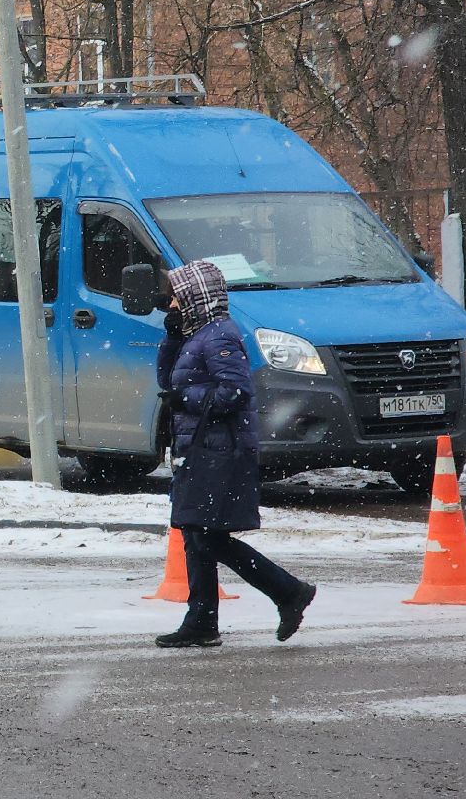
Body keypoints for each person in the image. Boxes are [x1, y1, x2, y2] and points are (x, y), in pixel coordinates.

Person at [155, 259, 318, 648]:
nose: (172, 303)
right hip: (199, 448)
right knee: (194, 534)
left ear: (197, 296)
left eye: (178, 296)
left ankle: (288, 591)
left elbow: (236, 392)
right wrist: (172, 337)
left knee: (207, 537)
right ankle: (202, 621)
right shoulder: (197, 335)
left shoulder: (219, 336)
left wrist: (186, 397)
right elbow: (166, 380)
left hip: (220, 451)